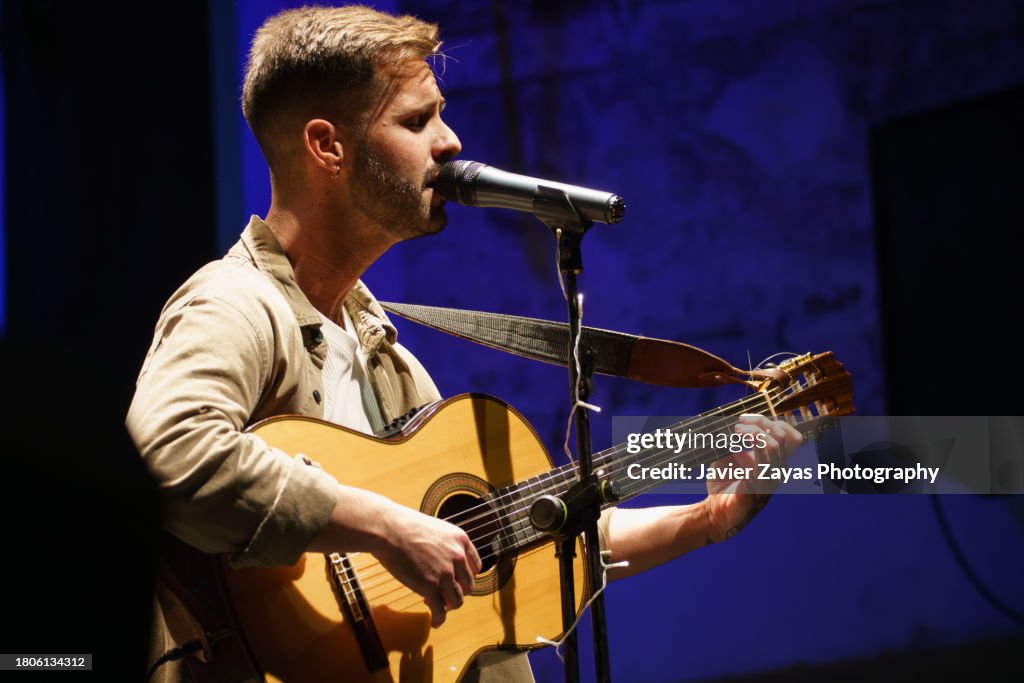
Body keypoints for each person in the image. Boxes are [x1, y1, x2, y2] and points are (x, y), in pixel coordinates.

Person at [126, 5, 802, 682]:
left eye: (440, 114)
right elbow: (167, 453)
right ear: (327, 146)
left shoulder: (385, 353)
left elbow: (531, 538)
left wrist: (706, 520)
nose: (450, 141)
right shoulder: (235, 303)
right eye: (417, 121)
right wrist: (387, 526)